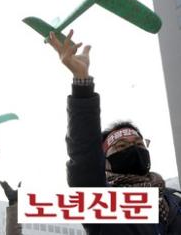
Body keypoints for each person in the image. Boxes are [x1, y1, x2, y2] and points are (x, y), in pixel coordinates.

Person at [49, 30, 181, 234]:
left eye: (138, 144)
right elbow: (84, 156)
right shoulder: (99, 203)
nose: (133, 149)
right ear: (105, 159)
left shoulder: (174, 201)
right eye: (121, 146)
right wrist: (82, 82)